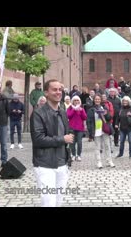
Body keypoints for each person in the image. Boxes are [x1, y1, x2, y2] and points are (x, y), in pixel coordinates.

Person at [30, 79, 74, 207]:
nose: (58, 92)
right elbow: (38, 139)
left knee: (58, 202)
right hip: (45, 165)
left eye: (60, 89)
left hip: (62, 164)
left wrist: (70, 135)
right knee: (49, 202)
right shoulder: (38, 113)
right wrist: (63, 139)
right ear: (46, 93)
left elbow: (66, 132)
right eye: (54, 89)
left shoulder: (63, 112)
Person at [86, 94, 115, 168]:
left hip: (104, 129)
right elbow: (89, 121)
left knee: (107, 146)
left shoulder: (104, 107)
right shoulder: (91, 109)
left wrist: (105, 114)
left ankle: (109, 161)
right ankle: (99, 162)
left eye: (99, 99)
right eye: (96, 99)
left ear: (101, 100)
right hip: (96, 130)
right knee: (97, 147)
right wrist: (90, 133)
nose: (97, 100)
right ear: (94, 100)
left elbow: (109, 118)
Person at [67, 96, 87, 161]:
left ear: (79, 101)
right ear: (72, 101)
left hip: (80, 128)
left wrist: (81, 111)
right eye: (75, 100)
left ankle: (78, 155)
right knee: (72, 142)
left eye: (77, 100)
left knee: (79, 142)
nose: (76, 102)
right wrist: (74, 109)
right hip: (71, 128)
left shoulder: (81, 108)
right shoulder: (70, 108)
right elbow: (68, 116)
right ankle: (73, 154)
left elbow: (85, 117)